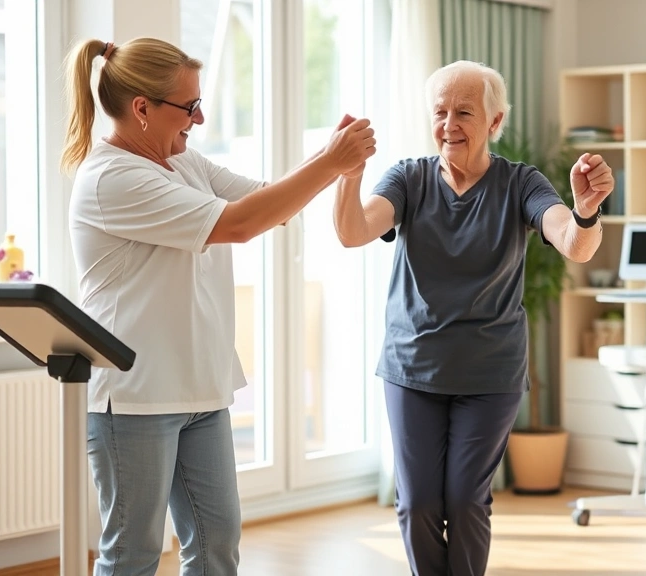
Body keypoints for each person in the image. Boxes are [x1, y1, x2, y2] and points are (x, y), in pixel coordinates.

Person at [60, 37, 375, 576]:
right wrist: (328, 163)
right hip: (136, 399)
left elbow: (269, 203)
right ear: (142, 109)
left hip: (200, 388)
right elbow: (239, 225)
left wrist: (332, 160)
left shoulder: (182, 164)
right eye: (188, 106)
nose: (199, 118)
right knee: (133, 554)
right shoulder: (112, 179)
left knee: (216, 545)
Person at [333, 60, 614, 576]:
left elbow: (574, 243)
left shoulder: (520, 184)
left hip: (489, 373)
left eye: (464, 112)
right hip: (413, 368)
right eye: (439, 112)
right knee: (417, 504)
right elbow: (353, 231)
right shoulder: (408, 179)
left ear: (495, 121)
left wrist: (587, 209)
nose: (449, 125)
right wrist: (348, 176)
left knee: (464, 503)